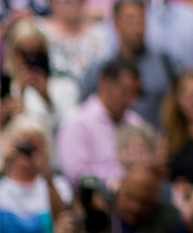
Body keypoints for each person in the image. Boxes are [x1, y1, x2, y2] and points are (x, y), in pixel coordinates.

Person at [54, 59, 145, 189]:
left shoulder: (136, 122)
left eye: (134, 93)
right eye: (124, 91)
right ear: (105, 82)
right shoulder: (77, 121)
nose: (130, 100)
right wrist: (114, 179)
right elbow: (74, 173)